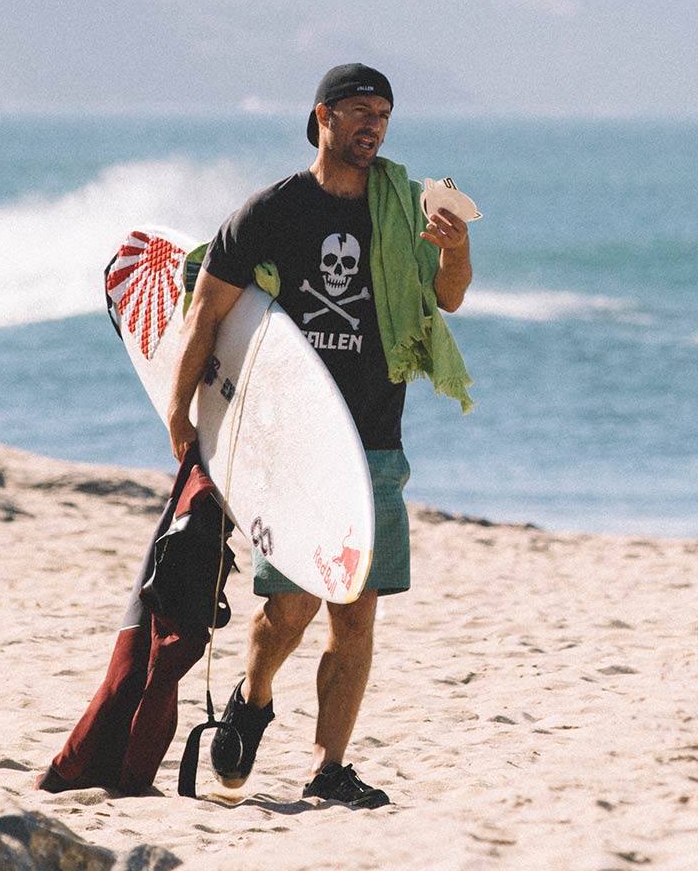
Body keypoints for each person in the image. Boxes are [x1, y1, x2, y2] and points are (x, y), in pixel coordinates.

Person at [162, 63, 474, 808]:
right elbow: (208, 310)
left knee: (357, 612)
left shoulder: (403, 207)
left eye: (385, 115)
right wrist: (181, 412)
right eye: (360, 111)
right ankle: (255, 695)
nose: (374, 125)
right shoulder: (275, 209)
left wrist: (454, 249)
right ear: (322, 118)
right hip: (290, 440)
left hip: (373, 437)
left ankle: (328, 768)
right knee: (292, 608)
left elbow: (449, 299)